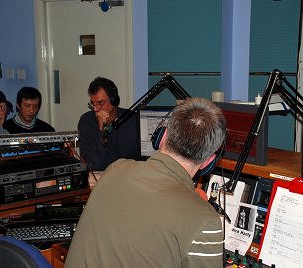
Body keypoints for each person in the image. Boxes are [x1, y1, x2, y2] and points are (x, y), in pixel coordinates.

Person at [65, 98, 226, 267]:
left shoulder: (115, 170)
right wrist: (197, 210)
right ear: (208, 161)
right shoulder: (205, 221)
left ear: (161, 137)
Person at [77, 77, 138, 171]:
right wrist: (102, 130)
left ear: (114, 100)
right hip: (101, 178)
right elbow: (90, 165)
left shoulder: (132, 119)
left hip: (129, 176)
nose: (96, 109)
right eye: (93, 104)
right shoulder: (86, 121)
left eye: (100, 103)